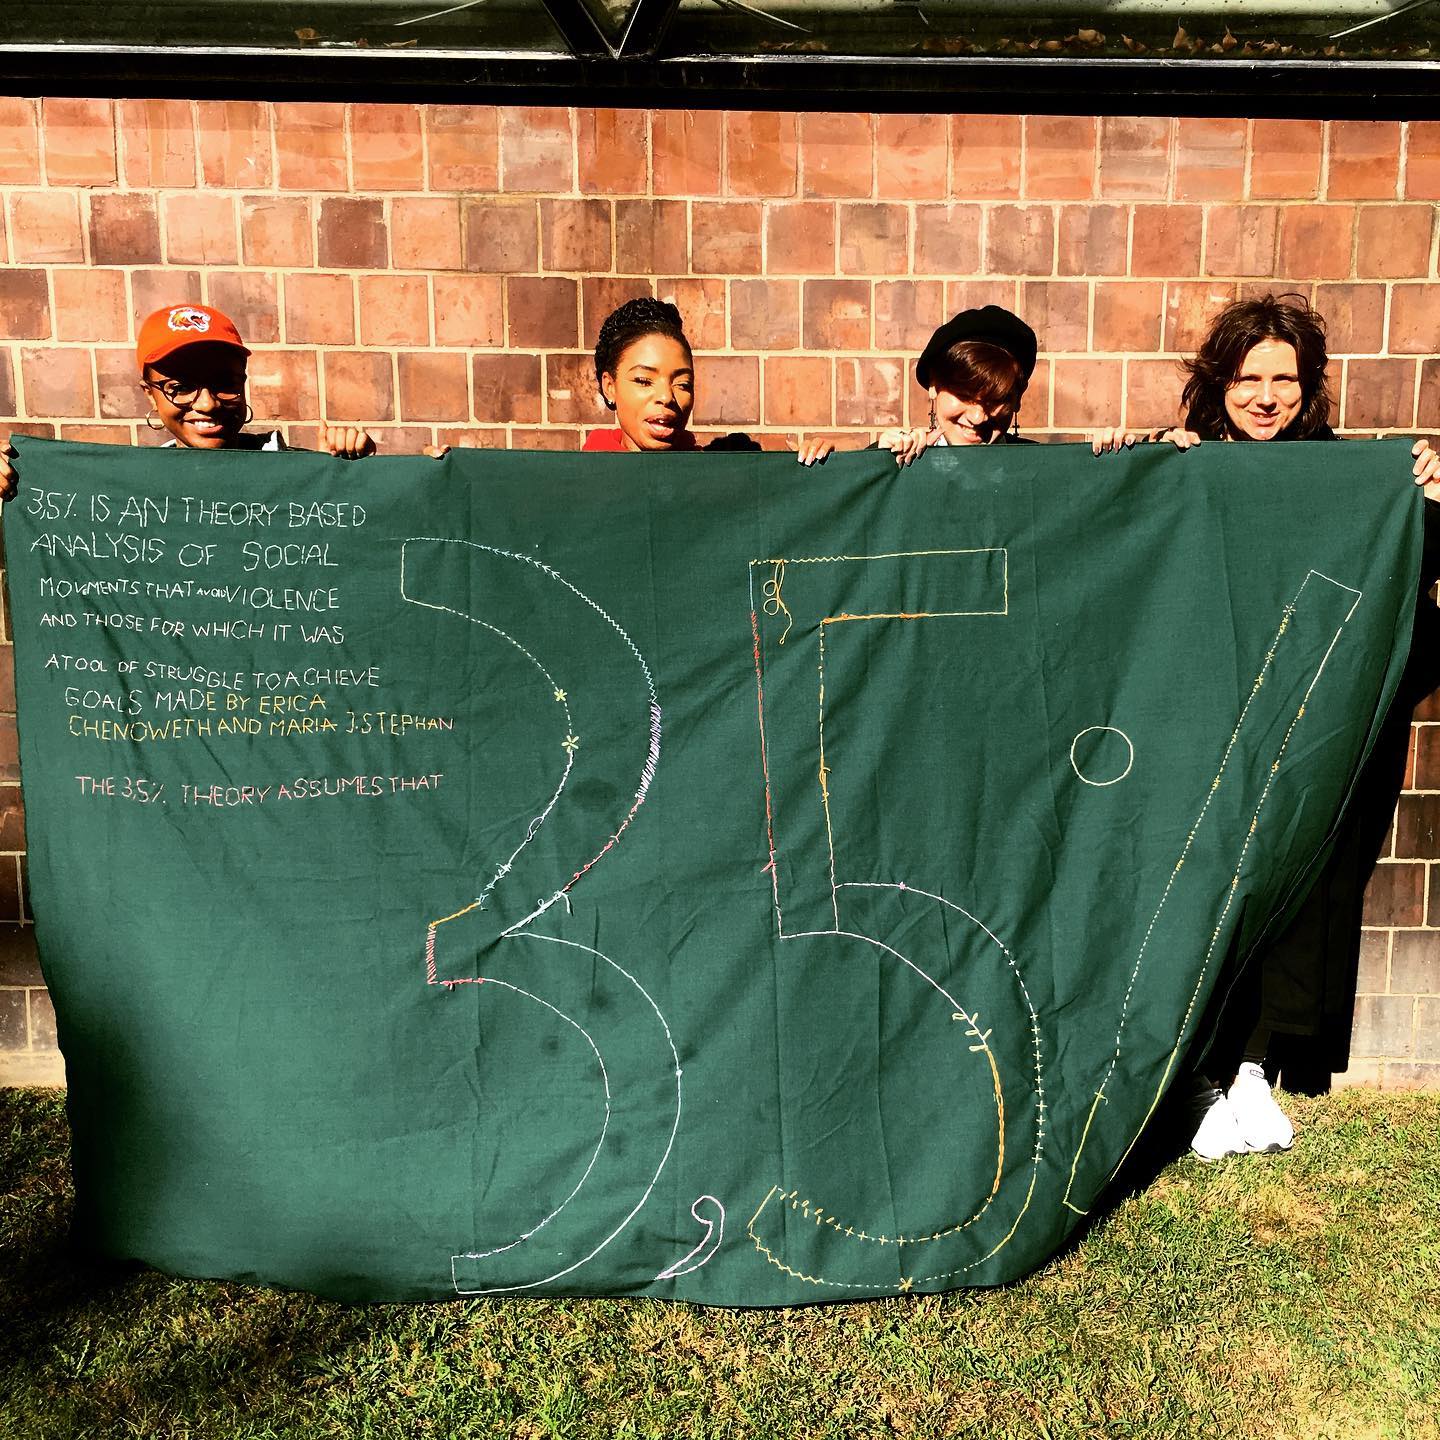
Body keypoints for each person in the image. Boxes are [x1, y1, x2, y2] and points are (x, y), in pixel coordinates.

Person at [1094, 295, 1439, 1160]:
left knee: (1291, 890)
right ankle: (1197, 1074)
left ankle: (1249, 1068)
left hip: (1305, 724)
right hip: (1202, 722)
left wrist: (1428, 501)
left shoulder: (1350, 477)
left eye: (1284, 378)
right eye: (1249, 377)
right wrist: (1129, 465)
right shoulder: (1187, 463)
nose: (1266, 396)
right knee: (1199, 883)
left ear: (1309, 387)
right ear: (1221, 382)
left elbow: (1407, 584)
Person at [0, 303, 376, 500]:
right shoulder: (128, 494)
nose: (208, 404)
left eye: (224, 384)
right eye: (179, 386)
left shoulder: (302, 476)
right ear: (149, 392)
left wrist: (344, 478)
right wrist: (13, 481)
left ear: (243, 384)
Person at [583, 297, 832, 463]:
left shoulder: (720, 480)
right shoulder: (575, 484)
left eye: (682, 384)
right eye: (644, 380)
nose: (666, 397)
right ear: (610, 387)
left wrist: (826, 468)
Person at [877, 304, 1040, 466]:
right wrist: (882, 466)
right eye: (965, 396)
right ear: (933, 385)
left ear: (1018, 397)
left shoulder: (1043, 470)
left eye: (995, 400)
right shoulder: (901, 465)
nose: (977, 418)